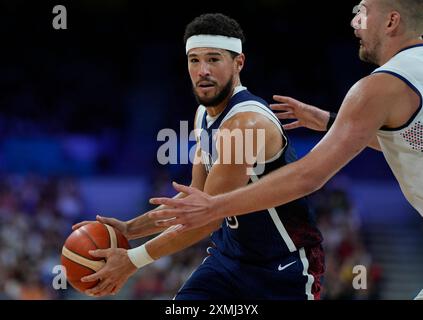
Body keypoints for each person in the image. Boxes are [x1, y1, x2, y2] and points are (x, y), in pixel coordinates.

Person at [148, 0, 423, 300]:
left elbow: (308, 176)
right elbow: (410, 139)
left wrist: (215, 208)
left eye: (364, 12)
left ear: (392, 21)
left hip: (281, 268)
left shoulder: (382, 86)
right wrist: (330, 121)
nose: (355, 22)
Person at [72, 13, 324, 299]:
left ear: (238, 63)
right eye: (195, 60)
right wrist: (131, 228)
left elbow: (206, 217)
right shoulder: (203, 115)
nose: (202, 70)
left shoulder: (246, 123)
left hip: (282, 267)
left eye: (213, 59)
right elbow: (197, 197)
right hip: (229, 261)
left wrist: (133, 260)